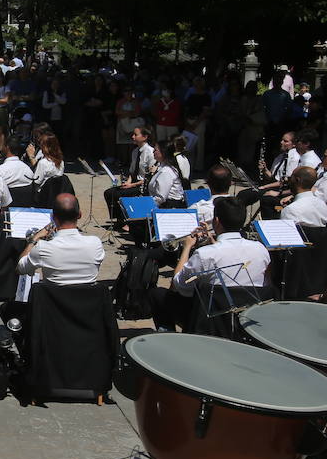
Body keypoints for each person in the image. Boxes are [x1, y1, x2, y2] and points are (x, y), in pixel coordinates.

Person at [153, 197, 271, 331]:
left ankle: (169, 334)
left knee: (157, 295)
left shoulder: (205, 254)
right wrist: (212, 242)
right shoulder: (261, 249)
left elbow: (177, 285)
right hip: (246, 314)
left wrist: (187, 248)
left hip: (211, 319)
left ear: (216, 221)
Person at [0, 193, 105, 338]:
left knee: (7, 309)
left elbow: (20, 267)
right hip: (86, 310)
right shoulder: (95, 244)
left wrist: (34, 239)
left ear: (53, 217)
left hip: (54, 311)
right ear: (79, 215)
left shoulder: (43, 247)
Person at [103, 126, 156, 223]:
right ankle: (120, 219)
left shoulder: (151, 153)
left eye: (136, 135)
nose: (132, 137)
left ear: (145, 137)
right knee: (109, 192)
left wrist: (132, 185)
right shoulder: (135, 151)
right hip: (133, 183)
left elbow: (150, 177)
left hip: (142, 186)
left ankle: (124, 221)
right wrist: (128, 182)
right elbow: (132, 172)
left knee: (119, 194)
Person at [147, 140, 185, 209]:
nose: (153, 152)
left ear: (163, 152)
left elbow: (160, 198)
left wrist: (144, 205)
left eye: (155, 150)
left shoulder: (166, 171)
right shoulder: (161, 167)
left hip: (169, 208)